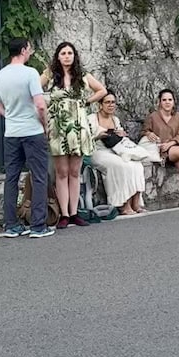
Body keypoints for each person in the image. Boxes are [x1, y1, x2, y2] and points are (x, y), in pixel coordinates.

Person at [40, 42, 106, 228]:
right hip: (59, 126)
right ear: (58, 56)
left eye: (70, 53)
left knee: (75, 172)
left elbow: (102, 90)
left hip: (78, 126)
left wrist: (86, 101)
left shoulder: (82, 75)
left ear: (74, 55)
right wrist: (45, 111)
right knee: (61, 172)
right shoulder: (50, 74)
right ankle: (64, 214)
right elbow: (34, 89)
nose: (67, 56)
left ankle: (75, 211)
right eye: (63, 53)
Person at [0, 37, 54, 238]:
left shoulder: (0, 76)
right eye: (29, 48)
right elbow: (40, 104)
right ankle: (38, 225)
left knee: (11, 177)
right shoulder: (30, 73)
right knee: (39, 176)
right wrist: (44, 125)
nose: (31, 51)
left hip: (11, 133)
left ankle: (11, 224)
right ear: (23, 50)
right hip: (32, 131)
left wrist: (12, 115)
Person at [90, 91, 146, 216]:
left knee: (136, 165)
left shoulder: (115, 119)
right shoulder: (92, 118)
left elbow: (120, 139)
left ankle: (136, 203)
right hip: (98, 151)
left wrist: (121, 134)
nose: (110, 105)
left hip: (115, 150)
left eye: (113, 102)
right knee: (122, 165)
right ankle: (123, 204)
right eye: (107, 102)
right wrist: (98, 136)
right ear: (100, 104)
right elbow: (85, 139)